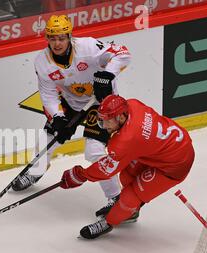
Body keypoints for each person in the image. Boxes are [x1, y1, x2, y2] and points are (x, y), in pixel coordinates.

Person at [12, 15, 131, 218]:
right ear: (47, 38)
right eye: (52, 38)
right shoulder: (42, 62)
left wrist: (108, 74)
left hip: (100, 103)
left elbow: (123, 54)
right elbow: (48, 93)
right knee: (48, 139)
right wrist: (58, 117)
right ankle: (36, 171)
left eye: (61, 38)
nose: (57, 43)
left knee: (94, 151)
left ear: (69, 36)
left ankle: (116, 198)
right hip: (71, 101)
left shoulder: (88, 47)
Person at [60, 95, 195, 239]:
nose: (104, 126)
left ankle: (109, 222)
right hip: (165, 149)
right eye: (101, 120)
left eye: (107, 121)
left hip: (175, 165)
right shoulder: (132, 104)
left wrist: (81, 175)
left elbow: (105, 169)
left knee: (130, 197)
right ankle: (131, 210)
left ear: (121, 117)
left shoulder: (127, 140)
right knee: (127, 176)